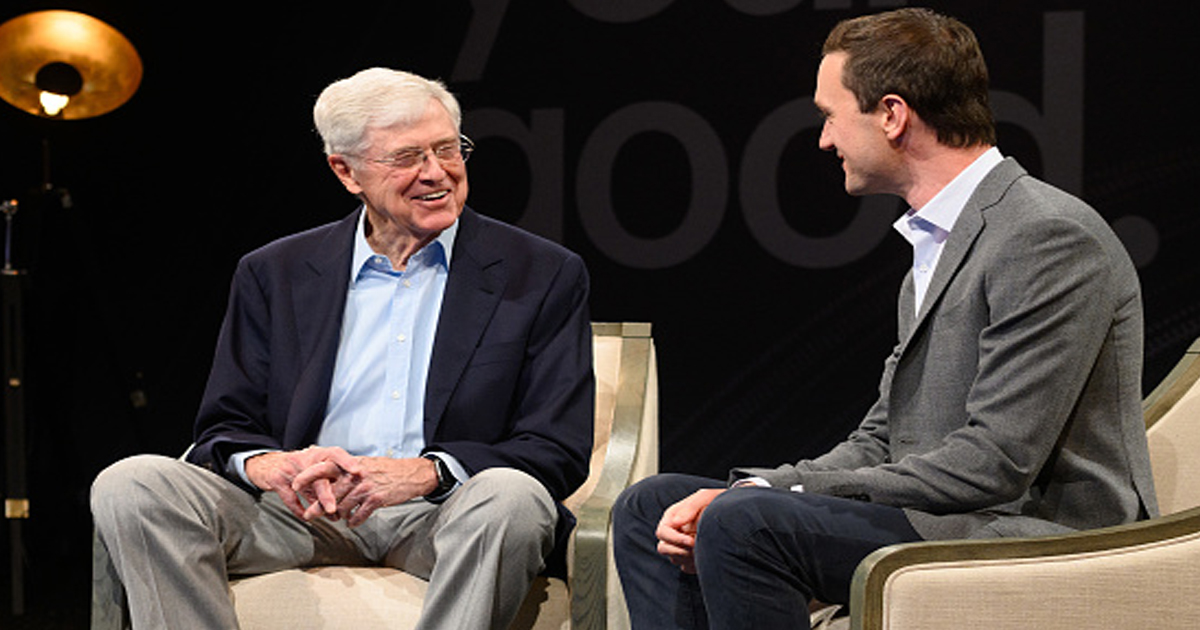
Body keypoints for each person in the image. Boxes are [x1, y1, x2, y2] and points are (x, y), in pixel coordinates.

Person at [612, 8, 1157, 630]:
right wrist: (764, 484)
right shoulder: (937, 245)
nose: (823, 140)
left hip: (1044, 533)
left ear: (893, 114)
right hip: (949, 514)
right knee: (652, 505)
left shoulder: (1045, 236)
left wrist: (772, 497)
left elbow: (997, 461)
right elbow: (882, 438)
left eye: (829, 115)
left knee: (745, 523)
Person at [91, 68, 595, 630]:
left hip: (443, 515)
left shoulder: (541, 271)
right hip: (297, 514)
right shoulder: (274, 272)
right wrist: (273, 466)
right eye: (407, 158)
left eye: (448, 149)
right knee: (131, 483)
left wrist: (422, 474)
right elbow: (225, 425)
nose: (438, 173)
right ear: (346, 171)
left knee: (511, 496)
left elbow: (556, 445)